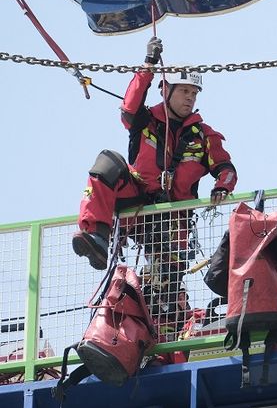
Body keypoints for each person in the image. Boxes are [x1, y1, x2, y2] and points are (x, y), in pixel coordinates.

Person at [72, 36, 237, 271]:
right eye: (184, 91)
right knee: (107, 162)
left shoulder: (203, 136)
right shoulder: (144, 121)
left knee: (165, 287)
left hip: (174, 218)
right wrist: (148, 64)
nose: (190, 97)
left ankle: (167, 300)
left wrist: (222, 186)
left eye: (194, 93)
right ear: (166, 91)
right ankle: (97, 237)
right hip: (136, 205)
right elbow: (130, 106)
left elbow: (226, 168)